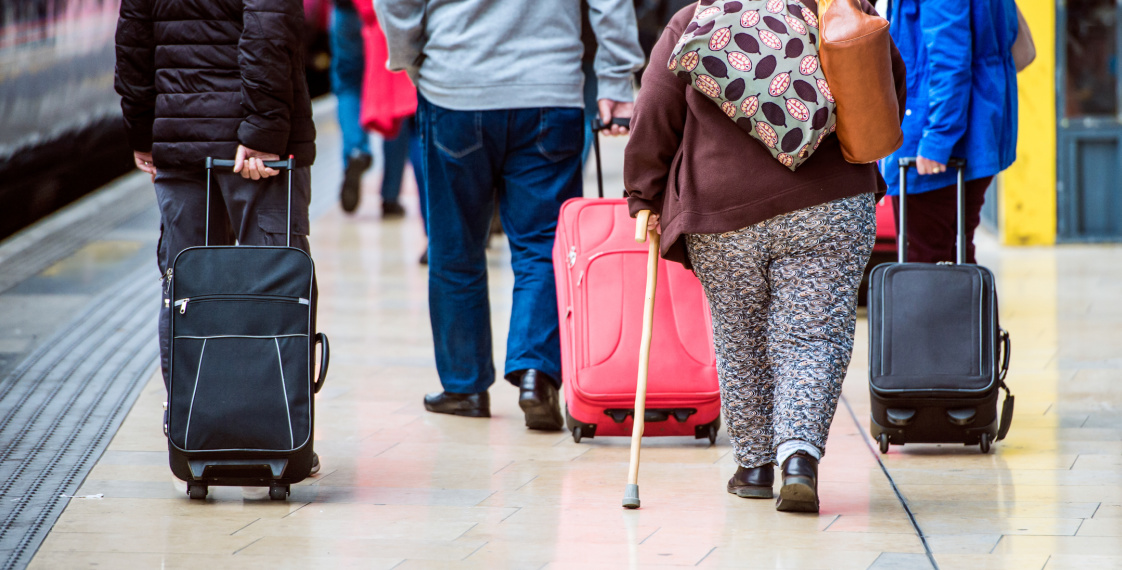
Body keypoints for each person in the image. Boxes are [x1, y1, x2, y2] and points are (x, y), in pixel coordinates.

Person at [624, 3, 905, 512]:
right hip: (830, 201)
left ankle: (753, 466)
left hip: (723, 209)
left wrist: (643, 194)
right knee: (812, 334)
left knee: (740, 336)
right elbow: (888, 85)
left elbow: (653, 107)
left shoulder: (696, 18)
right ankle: (799, 457)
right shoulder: (834, 7)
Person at [376, 0, 644, 428]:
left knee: (455, 246)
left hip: (455, 86)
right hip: (549, 91)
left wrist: (413, 59)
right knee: (542, 244)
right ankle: (537, 374)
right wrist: (615, 79)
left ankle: (464, 387)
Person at [114, 0, 320, 472]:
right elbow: (270, 27)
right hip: (253, 154)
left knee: (184, 288)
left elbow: (133, 39)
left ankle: (191, 431)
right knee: (274, 287)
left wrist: (146, 128)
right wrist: (266, 130)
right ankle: (273, 438)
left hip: (181, 136)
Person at [884, 0, 1019, 263]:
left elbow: (950, 60)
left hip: (936, 137)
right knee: (956, 255)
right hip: (977, 126)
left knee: (925, 261)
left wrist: (937, 139)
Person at [332, 0, 411, 217]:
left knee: (348, 85)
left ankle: (356, 150)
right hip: (386, 13)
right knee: (395, 99)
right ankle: (390, 196)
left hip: (346, 9)